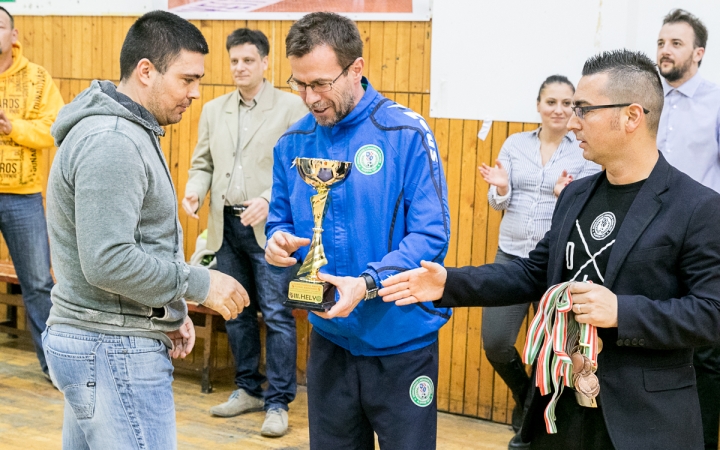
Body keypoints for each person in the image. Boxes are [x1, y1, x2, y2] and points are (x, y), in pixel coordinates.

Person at [381, 49, 720, 450]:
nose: (573, 122)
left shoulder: (697, 207)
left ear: (632, 116)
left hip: (642, 421)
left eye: (585, 109)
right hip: (560, 411)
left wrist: (622, 312)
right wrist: (449, 282)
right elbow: (533, 273)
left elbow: (711, 313)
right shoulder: (577, 194)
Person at [43, 11, 249, 449]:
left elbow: (136, 243)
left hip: (107, 338)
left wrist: (166, 309)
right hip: (111, 346)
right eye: (187, 79)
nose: (195, 93)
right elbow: (107, 261)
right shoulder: (114, 139)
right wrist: (198, 284)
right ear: (145, 71)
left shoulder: (124, 130)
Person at [264, 12, 451, 450]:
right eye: (299, 84)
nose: (310, 98)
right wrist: (277, 241)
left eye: (321, 84)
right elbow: (280, 220)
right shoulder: (292, 144)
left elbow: (429, 237)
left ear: (356, 69)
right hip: (330, 340)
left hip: (400, 341)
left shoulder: (405, 132)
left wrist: (366, 284)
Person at [182, 28, 307, 437]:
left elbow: (300, 168)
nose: (239, 67)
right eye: (234, 60)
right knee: (234, 311)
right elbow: (202, 163)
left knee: (276, 314)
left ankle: (278, 401)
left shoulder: (291, 107)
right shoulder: (215, 109)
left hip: (269, 229)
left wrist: (269, 199)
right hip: (224, 228)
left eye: (248, 60)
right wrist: (194, 191)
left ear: (266, 63)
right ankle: (248, 389)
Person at [478, 75, 600, 448]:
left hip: (555, 263)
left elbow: (586, 208)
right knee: (496, 342)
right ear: (539, 105)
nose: (560, 110)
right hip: (512, 256)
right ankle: (522, 395)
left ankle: (527, 426)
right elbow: (498, 202)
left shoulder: (583, 150)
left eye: (568, 103)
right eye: (552, 102)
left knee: (547, 351)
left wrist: (567, 195)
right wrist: (500, 187)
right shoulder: (515, 144)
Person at [656, 10, 720, 449]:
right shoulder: (644, 99)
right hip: (648, 237)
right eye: (661, 41)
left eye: (676, 43)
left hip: (702, 238)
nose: (664, 49)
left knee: (705, 350)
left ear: (698, 53)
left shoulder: (717, 101)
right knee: (651, 338)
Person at [0, 6, 63, 380]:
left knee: (39, 284)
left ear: (13, 33)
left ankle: (54, 366)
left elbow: (53, 128)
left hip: (22, 197)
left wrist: (13, 127)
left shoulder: (37, 79)